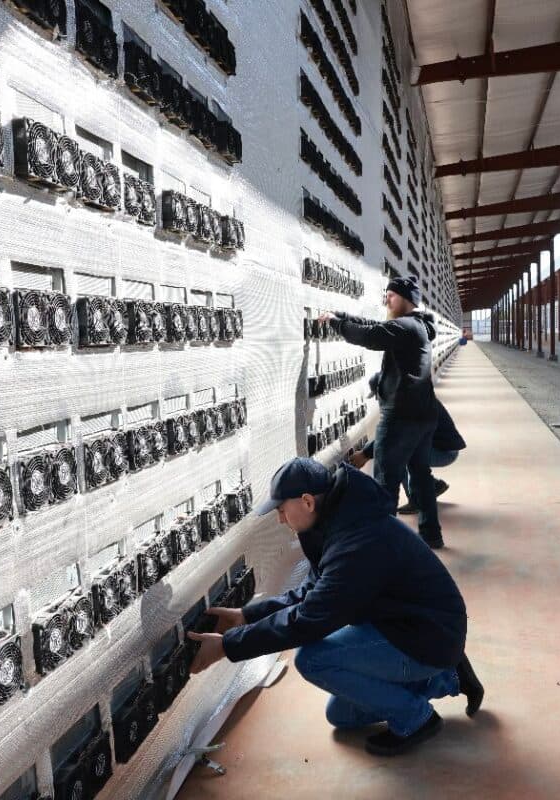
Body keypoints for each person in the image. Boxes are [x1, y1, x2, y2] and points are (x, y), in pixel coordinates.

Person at [187, 457, 484, 756]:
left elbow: (308, 620)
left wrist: (228, 647)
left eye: (281, 510)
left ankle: (417, 719)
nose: (280, 519)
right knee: (342, 716)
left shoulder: (357, 542)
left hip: (426, 634)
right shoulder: (339, 522)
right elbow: (314, 590)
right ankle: (447, 676)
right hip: (409, 625)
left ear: (306, 502)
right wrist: (246, 615)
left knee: (313, 660)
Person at [317, 276, 444, 548]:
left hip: (402, 416)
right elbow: (376, 326)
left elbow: (371, 336)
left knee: (385, 484)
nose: (386, 299)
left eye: (391, 295)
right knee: (420, 477)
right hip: (423, 414)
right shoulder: (416, 326)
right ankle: (431, 535)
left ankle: (384, 552)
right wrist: (342, 315)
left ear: (407, 299)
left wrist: (336, 324)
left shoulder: (406, 326)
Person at [351, 372, 466, 515]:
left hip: (444, 452)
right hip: (442, 447)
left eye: (378, 394)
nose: (377, 398)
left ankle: (416, 500)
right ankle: (432, 486)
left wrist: (365, 454)